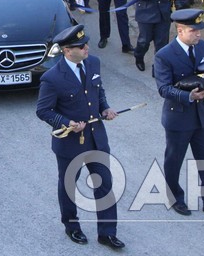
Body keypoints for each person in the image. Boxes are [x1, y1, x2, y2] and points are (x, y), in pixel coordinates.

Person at [35, 25, 125, 250]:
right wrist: (67, 123)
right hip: (69, 143)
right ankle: (71, 226)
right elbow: (43, 111)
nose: (87, 48)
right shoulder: (52, 78)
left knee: (104, 184)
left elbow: (98, 90)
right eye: (81, 46)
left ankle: (107, 232)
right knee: (69, 186)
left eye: (86, 43)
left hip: (96, 138)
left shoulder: (93, 63)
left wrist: (105, 108)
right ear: (67, 51)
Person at [154, 9, 204, 218]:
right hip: (178, 117)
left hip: (200, 116)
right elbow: (164, 89)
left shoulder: (202, 47)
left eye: (199, 30)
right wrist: (190, 97)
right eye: (193, 31)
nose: (198, 34)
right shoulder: (164, 55)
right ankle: (175, 198)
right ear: (180, 31)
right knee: (174, 160)